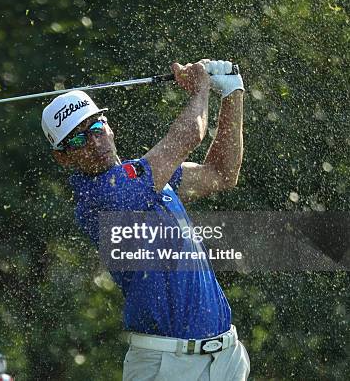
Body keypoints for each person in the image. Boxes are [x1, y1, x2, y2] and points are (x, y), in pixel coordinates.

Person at [41, 60, 250, 381]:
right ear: (62, 157)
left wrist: (232, 92)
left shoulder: (147, 176)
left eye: (96, 128)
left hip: (225, 357)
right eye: (77, 140)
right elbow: (189, 135)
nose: (94, 143)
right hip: (166, 365)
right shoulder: (102, 197)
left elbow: (221, 173)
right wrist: (201, 87)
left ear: (109, 127)